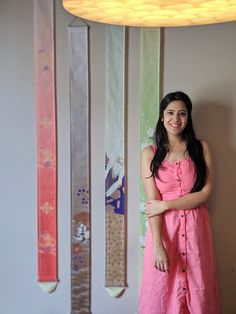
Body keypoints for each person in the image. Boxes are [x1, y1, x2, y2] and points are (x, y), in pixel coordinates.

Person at [139, 91, 220, 314]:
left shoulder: (201, 148)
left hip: (196, 232)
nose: (176, 119)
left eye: (182, 113)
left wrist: (167, 205)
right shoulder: (150, 154)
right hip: (166, 233)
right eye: (170, 113)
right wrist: (157, 246)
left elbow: (205, 193)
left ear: (188, 117)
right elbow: (152, 203)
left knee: (198, 289)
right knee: (162, 291)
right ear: (162, 117)